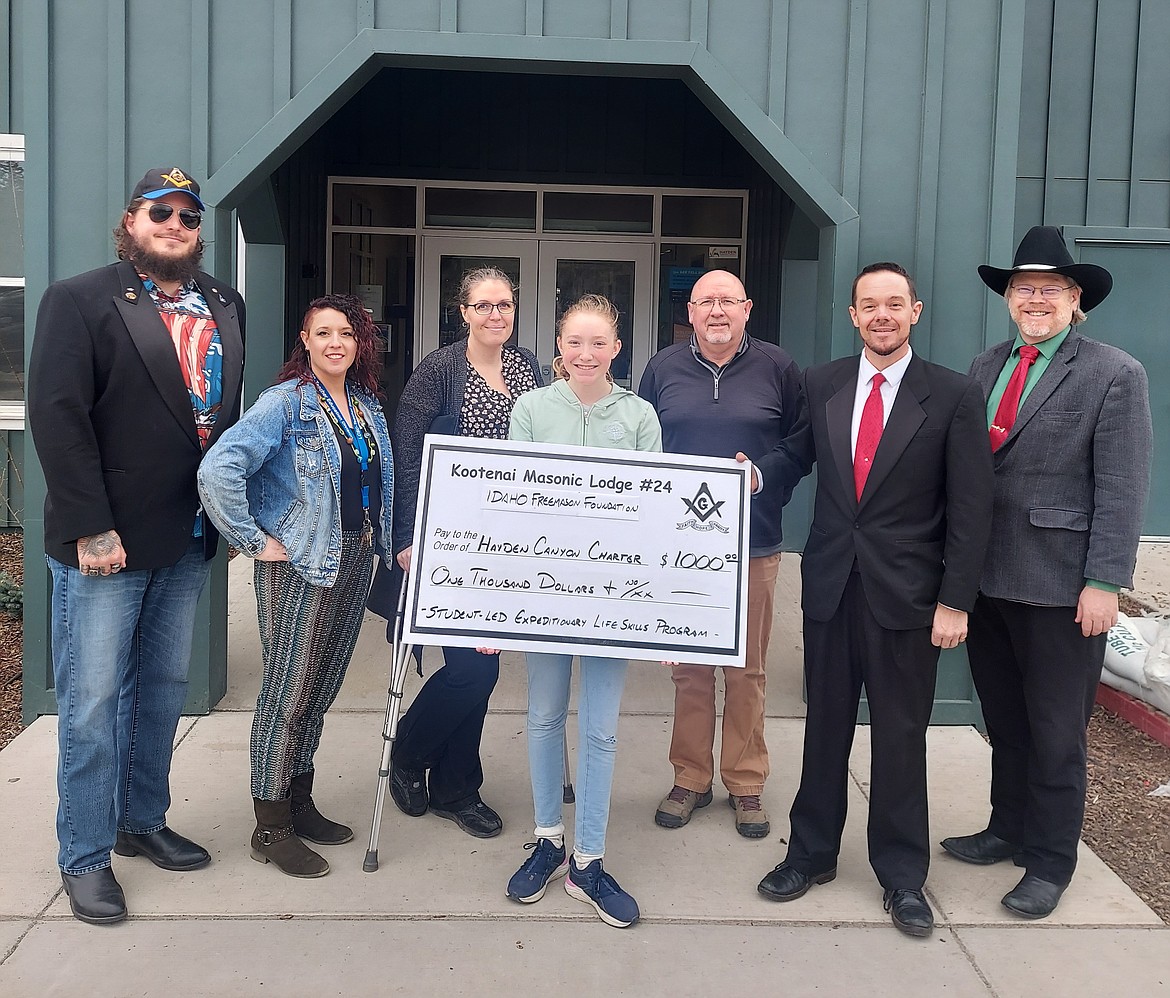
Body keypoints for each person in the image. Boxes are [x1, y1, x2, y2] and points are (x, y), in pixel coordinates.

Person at [27, 167, 246, 925]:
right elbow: (57, 417)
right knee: (90, 705)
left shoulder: (223, 302)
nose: (175, 225)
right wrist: (91, 525)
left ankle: (140, 820)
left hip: (184, 535)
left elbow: (221, 427)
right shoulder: (80, 299)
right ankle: (84, 856)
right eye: (161, 213)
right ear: (130, 222)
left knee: (159, 694)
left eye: (188, 216)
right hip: (106, 541)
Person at [756, 262, 994, 938]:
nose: (882, 315)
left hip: (909, 598)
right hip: (832, 587)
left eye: (895, 304)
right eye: (870, 305)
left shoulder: (952, 395)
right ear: (853, 313)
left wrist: (956, 601)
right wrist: (748, 479)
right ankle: (810, 856)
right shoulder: (823, 382)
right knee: (823, 729)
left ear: (914, 311)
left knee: (899, 738)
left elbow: (973, 510)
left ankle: (901, 876)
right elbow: (793, 455)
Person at [941, 226, 1152, 919]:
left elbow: (1122, 486)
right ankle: (1008, 828)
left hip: (1064, 585)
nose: (1036, 299)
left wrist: (1104, 582)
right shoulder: (984, 366)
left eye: (1050, 289)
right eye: (1024, 288)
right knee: (1005, 719)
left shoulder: (1113, 373)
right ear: (1008, 298)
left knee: (1057, 731)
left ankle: (1051, 858)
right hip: (989, 578)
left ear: (1075, 299)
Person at [198, 294, 395, 878]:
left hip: (354, 560)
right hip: (299, 567)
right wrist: (256, 540)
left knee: (321, 687)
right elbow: (218, 468)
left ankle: (300, 802)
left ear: (359, 344)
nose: (336, 342)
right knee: (286, 693)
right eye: (323, 333)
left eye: (346, 334)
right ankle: (270, 824)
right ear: (305, 343)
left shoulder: (366, 409)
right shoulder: (284, 405)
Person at [367, 267, 542, 838]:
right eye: (484, 305)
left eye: (506, 305)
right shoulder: (438, 372)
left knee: (482, 668)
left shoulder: (526, 371)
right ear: (462, 312)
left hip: (507, 545)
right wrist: (403, 540)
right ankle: (418, 757)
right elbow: (406, 456)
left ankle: (452, 784)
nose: (497, 315)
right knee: (471, 669)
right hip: (444, 541)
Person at [504, 294, 662, 928]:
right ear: (559, 348)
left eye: (599, 344)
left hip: (612, 599)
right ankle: (548, 840)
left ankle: (588, 859)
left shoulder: (640, 414)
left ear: (617, 349)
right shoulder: (532, 408)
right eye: (575, 343)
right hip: (545, 593)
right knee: (542, 717)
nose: (586, 354)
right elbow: (507, 499)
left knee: (600, 728)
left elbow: (658, 510)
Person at [638, 269, 807, 838]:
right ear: (689, 309)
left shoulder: (778, 368)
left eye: (728, 301)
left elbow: (800, 443)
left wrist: (763, 475)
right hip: (681, 550)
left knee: (746, 670)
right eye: (706, 300)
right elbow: (642, 447)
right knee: (689, 669)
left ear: (747, 308)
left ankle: (746, 781)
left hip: (753, 543)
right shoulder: (662, 367)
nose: (717, 310)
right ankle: (690, 777)